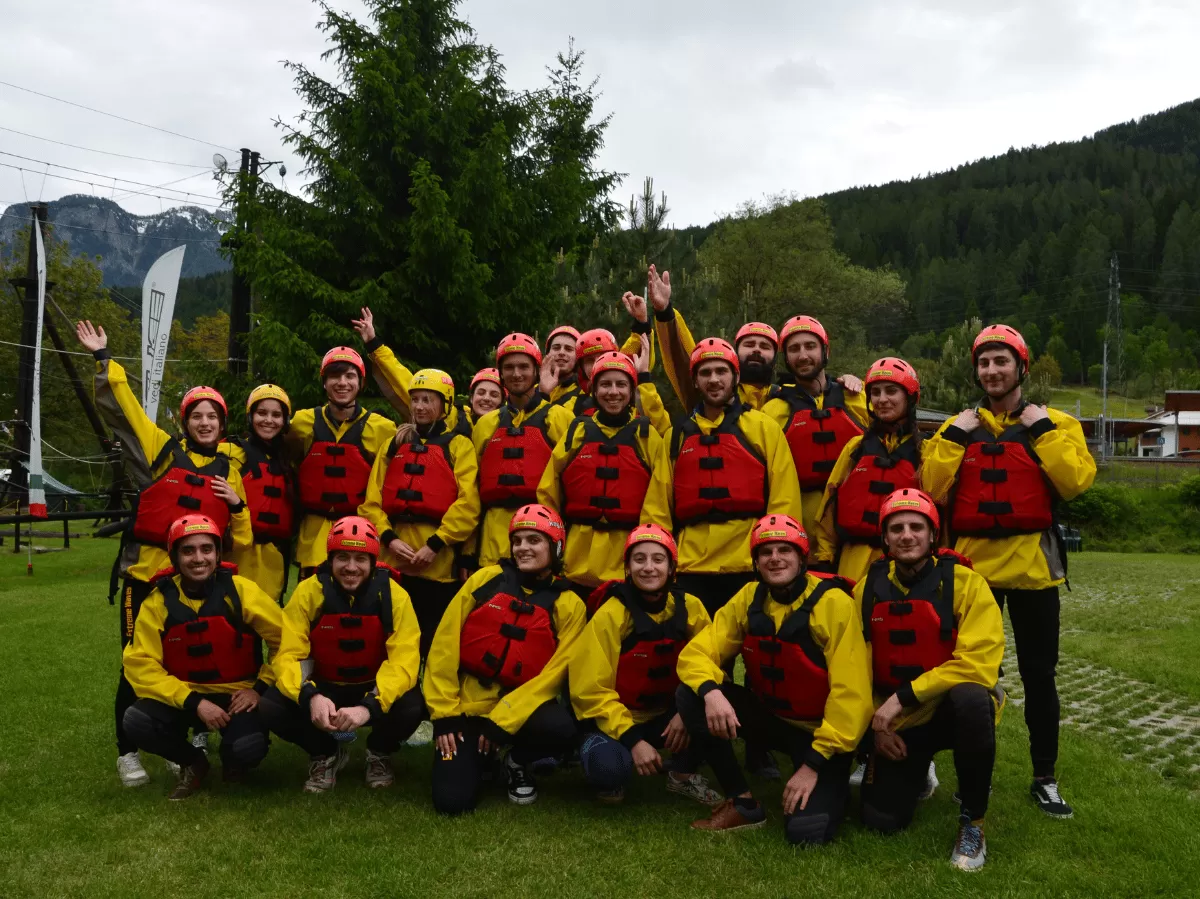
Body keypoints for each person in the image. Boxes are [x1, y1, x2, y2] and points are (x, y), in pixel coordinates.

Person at [920, 324, 1095, 819]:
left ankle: (1045, 777)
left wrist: (1041, 430)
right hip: (973, 574)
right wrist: (954, 435)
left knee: (1040, 676)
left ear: (1021, 368)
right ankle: (975, 777)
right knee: (975, 681)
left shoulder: (1056, 421)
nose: (992, 371)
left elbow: (1077, 480)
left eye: (1001, 361)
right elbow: (930, 487)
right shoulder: (958, 427)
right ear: (976, 371)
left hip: (1034, 570)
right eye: (984, 363)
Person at [76, 320, 253, 789]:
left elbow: (242, 537)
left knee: (193, 661)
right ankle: (127, 751)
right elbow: (127, 412)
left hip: (196, 580)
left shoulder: (229, 470)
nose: (205, 422)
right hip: (146, 575)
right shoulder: (160, 451)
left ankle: (185, 745)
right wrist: (103, 361)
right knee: (136, 663)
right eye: (197, 415)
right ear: (185, 420)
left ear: (222, 423)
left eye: (213, 416)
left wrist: (237, 505)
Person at [675, 514, 872, 842]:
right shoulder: (748, 597)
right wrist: (712, 691)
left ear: (802, 557)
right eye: (766, 552)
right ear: (755, 561)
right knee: (691, 695)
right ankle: (742, 801)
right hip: (773, 720)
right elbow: (697, 653)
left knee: (807, 833)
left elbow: (851, 694)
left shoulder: (834, 603)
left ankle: (834, 779)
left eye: (785, 550)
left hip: (822, 735)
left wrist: (812, 765)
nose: (775, 558)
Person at [857, 488, 1004, 872]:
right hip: (898, 722)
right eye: (897, 528)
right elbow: (851, 662)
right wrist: (877, 725)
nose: (907, 535)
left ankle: (973, 822)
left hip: (950, 712)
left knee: (973, 698)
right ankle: (917, 772)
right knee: (881, 820)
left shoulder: (967, 584)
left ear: (932, 535)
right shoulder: (866, 588)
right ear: (885, 538)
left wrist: (902, 697)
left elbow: (978, 663)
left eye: (916, 527)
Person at [425, 504, 585, 814]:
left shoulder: (569, 604)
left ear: (556, 546)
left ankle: (518, 759)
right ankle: (483, 758)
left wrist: (504, 721)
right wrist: (445, 715)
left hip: (520, 712)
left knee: (562, 728)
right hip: (468, 707)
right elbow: (444, 645)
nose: (523, 548)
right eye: (518, 540)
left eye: (534, 540)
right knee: (451, 803)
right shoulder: (486, 579)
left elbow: (555, 675)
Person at [121, 515, 282, 800]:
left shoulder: (242, 591)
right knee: (137, 721)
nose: (199, 558)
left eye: (207, 549)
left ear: (218, 554)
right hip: (187, 696)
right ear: (174, 557)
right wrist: (194, 702)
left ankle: (234, 760)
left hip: (237, 696)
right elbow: (139, 663)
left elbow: (286, 640)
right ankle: (193, 761)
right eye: (188, 550)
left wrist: (259, 688)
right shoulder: (157, 602)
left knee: (248, 748)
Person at [259, 516, 425, 793]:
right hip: (324, 686)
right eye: (342, 558)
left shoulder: (395, 596)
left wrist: (369, 705)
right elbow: (288, 655)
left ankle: (378, 752)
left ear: (373, 562)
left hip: (372, 686)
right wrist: (310, 696)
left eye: (360, 559)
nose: (351, 567)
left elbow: (404, 661)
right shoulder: (307, 593)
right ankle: (325, 753)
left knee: (412, 705)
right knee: (271, 706)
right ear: (330, 560)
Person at [643, 337, 801, 621]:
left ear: (736, 376)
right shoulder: (676, 436)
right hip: (692, 568)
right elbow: (658, 505)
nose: (713, 380)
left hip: (747, 564)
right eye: (705, 373)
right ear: (694, 381)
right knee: (694, 654)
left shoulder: (763, 428)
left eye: (721, 371)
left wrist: (778, 555)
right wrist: (659, 559)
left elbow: (784, 497)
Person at [570, 524, 721, 805]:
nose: (648, 567)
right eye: (639, 559)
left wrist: (685, 710)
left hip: (665, 714)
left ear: (672, 567)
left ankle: (682, 775)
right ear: (627, 567)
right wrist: (633, 741)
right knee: (610, 770)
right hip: (614, 720)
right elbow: (589, 689)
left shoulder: (691, 607)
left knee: (712, 710)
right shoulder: (611, 614)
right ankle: (596, 753)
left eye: (658, 559)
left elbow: (709, 663)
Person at [360, 369, 480, 660]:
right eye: (415, 400)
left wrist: (435, 544)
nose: (420, 406)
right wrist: (388, 539)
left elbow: (469, 504)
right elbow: (371, 502)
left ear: (445, 405)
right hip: (394, 562)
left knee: (433, 645)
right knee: (391, 643)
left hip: (437, 567)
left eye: (428, 400)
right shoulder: (394, 444)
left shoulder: (458, 446)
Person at [536, 350, 671, 594]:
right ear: (594, 391)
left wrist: (647, 556)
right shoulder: (577, 431)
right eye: (605, 384)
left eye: (621, 384)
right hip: (575, 560)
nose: (613, 392)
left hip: (626, 565)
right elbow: (549, 491)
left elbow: (658, 502)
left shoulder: (647, 436)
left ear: (631, 391)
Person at [812, 357, 923, 584]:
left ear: (909, 397)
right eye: (876, 392)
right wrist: (826, 557)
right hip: (853, 561)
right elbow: (829, 505)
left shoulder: (927, 452)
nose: (882, 400)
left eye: (891, 391)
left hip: (908, 565)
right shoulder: (855, 448)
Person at [289, 344, 395, 577]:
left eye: (350, 376)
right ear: (324, 382)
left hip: (360, 535)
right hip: (313, 535)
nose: (342, 383)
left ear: (361, 383)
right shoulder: (301, 423)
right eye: (334, 376)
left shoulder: (382, 428)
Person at [471, 333, 574, 569]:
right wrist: (469, 551)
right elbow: (472, 490)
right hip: (492, 543)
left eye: (523, 367)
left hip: (543, 538)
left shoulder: (561, 419)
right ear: (500, 373)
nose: (516, 374)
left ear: (537, 371)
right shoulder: (486, 425)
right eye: (509, 367)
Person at [762, 315, 868, 537]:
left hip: (856, 531)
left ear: (825, 351)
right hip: (803, 535)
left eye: (810, 346)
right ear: (786, 359)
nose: (803, 355)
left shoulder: (858, 398)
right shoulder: (772, 411)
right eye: (794, 349)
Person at [629, 266, 779, 411]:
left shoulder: (786, 399)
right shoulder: (712, 396)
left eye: (765, 347)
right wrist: (664, 312)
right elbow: (682, 362)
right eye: (749, 344)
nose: (756, 350)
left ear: (776, 356)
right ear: (735, 354)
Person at [222, 384, 295, 603]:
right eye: (261, 413)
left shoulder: (287, 462)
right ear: (250, 416)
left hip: (272, 559)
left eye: (276, 415)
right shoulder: (229, 452)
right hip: (238, 554)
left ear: (284, 421)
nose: (268, 420)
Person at [544, 324, 582, 406]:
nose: (561, 352)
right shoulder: (531, 390)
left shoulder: (583, 394)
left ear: (578, 357)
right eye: (556, 348)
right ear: (547, 354)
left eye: (568, 349)